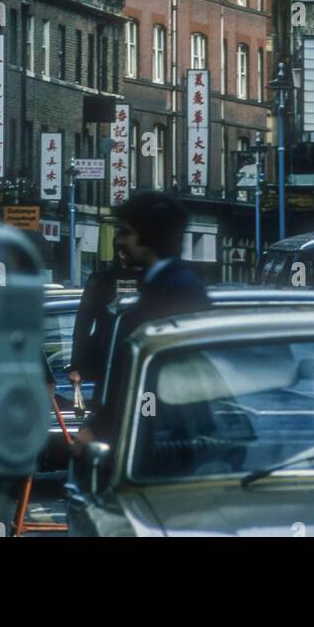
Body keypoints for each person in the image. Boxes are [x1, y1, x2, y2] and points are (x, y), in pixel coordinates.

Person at [74, 192, 210, 449]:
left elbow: (152, 374)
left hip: (166, 432)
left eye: (126, 232)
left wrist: (98, 429)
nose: (120, 241)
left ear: (147, 237)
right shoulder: (162, 283)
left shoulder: (175, 289)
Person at [68, 242, 141, 390]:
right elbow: (83, 324)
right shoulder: (100, 281)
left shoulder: (148, 280)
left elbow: (83, 325)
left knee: (145, 409)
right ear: (122, 253)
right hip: (108, 363)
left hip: (130, 361)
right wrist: (75, 366)